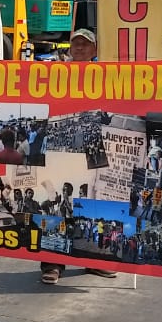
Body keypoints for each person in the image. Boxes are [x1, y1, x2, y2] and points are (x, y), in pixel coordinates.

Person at [40, 28, 118, 285]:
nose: (81, 48)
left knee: (93, 201)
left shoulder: (107, 73)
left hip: (94, 143)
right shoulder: (56, 72)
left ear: (95, 49)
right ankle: (53, 263)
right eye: (76, 44)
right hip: (62, 140)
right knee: (58, 203)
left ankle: (94, 260)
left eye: (86, 44)